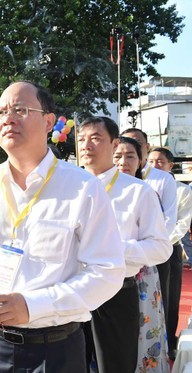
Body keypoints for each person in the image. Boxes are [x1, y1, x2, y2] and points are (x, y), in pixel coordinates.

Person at [0, 81, 125, 372]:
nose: (7, 119)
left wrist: (34, 305)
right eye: (1, 112)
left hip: (54, 350)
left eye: (20, 110)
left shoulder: (83, 187)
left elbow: (107, 271)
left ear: (48, 121)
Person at [78, 117, 172, 372]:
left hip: (115, 293)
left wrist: (114, 248)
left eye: (95, 138)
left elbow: (161, 248)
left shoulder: (137, 191)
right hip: (70, 292)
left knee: (115, 366)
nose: (86, 145)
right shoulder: (68, 187)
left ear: (114, 143)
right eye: (81, 139)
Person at [114, 137, 171, 372]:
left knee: (143, 332)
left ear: (141, 162)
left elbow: (160, 243)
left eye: (130, 156)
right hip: (106, 276)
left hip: (140, 275)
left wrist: (119, 249)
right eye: (117, 156)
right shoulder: (94, 190)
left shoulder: (146, 193)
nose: (123, 162)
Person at [121, 128, 177, 319]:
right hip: (119, 265)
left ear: (145, 147)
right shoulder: (102, 184)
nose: (123, 161)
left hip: (151, 256)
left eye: (131, 152)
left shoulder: (161, 180)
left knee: (154, 310)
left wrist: (152, 247)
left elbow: (169, 220)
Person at [148, 147, 192, 359]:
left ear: (169, 165)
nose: (155, 165)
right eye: (151, 161)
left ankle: (169, 342)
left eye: (159, 162)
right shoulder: (142, 186)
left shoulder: (182, 190)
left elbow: (182, 223)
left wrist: (162, 242)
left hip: (169, 248)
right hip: (145, 251)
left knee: (170, 297)